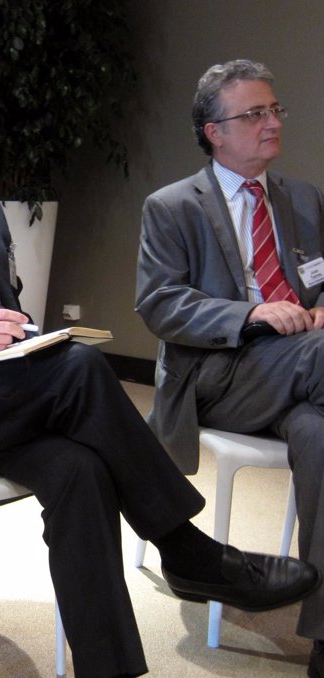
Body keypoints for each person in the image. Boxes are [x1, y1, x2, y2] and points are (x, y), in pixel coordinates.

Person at [0, 41, 320, 678]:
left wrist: (19, 339)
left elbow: (2, 306)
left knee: (80, 468)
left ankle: (111, 667)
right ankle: (186, 549)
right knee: (81, 368)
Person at [136, 59, 324, 677]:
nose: (272, 123)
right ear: (214, 131)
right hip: (220, 375)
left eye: (275, 110)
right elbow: (160, 303)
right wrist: (252, 313)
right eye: (254, 114)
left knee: (320, 436)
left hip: (305, 368)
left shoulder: (301, 197)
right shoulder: (172, 206)